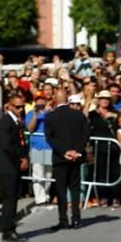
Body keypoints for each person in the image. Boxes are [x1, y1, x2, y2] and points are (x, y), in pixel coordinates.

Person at [45, 92, 89, 230]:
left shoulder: (51, 116)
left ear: (55, 100)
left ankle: (63, 219)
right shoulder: (79, 115)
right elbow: (86, 134)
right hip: (75, 157)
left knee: (61, 189)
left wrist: (64, 151)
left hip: (60, 157)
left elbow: (50, 137)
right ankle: (76, 218)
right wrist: (77, 151)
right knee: (75, 188)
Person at [0, 91, 28, 242]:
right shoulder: (5, 123)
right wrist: (19, 160)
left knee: (13, 198)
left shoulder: (17, 122)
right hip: (7, 167)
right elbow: (7, 146)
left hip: (13, 165)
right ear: (10, 106)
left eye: (22, 107)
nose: (20, 109)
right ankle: (8, 230)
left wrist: (25, 156)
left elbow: (21, 142)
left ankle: (9, 226)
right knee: (9, 199)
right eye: (17, 107)